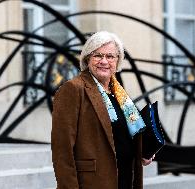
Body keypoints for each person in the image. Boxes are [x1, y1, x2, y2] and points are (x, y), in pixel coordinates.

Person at [51, 31, 154, 189]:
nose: (104, 61)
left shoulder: (119, 94)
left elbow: (123, 135)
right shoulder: (73, 89)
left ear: (118, 60)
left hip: (126, 179)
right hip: (93, 182)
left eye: (110, 56)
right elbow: (62, 150)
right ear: (87, 58)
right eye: (98, 55)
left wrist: (142, 152)